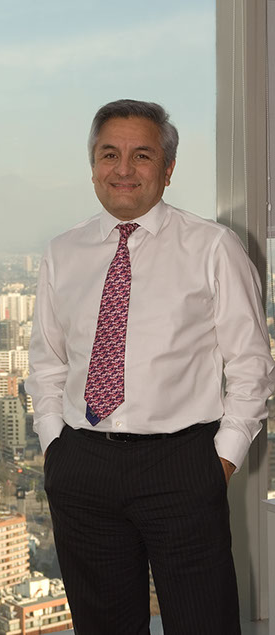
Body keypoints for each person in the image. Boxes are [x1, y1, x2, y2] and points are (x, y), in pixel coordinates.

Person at [25, 99, 275, 635]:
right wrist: (54, 446)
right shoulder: (62, 252)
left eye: (142, 155)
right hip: (82, 464)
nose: (123, 169)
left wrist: (221, 461)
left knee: (204, 623)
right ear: (92, 164)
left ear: (168, 168)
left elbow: (251, 365)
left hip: (182, 465)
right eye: (109, 154)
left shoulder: (213, 247)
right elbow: (47, 361)